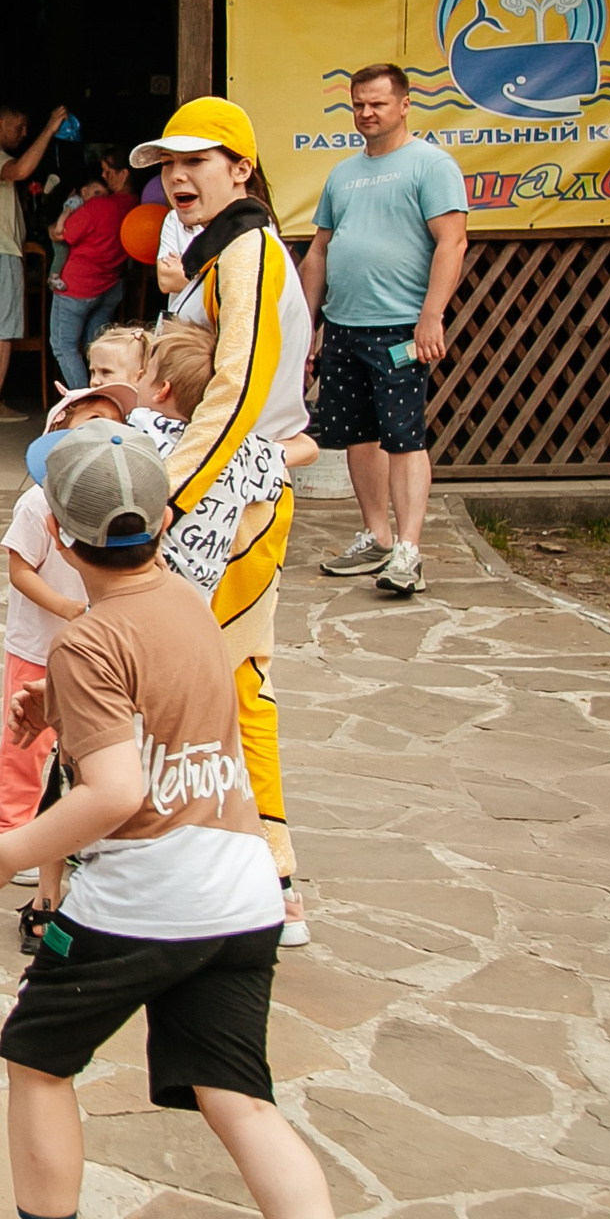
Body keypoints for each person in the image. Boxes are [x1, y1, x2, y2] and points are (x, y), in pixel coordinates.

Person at [0, 423, 342, 1219]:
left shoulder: (89, 639)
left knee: (38, 1060)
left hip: (143, 900)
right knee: (237, 1094)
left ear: (57, 534)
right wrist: (54, 705)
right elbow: (156, 691)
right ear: (165, 521)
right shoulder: (188, 606)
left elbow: (116, 791)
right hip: (241, 896)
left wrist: (5, 852)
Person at [130, 98, 315, 947]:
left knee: (235, 685)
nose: (176, 176)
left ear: (241, 169)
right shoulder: (219, 254)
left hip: (228, 503)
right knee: (202, 683)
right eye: (168, 164)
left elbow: (239, 391)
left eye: (196, 161)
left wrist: (163, 496)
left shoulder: (248, 250)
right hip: (220, 494)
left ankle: (272, 878)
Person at [300, 64, 470, 598]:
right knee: (356, 435)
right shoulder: (342, 174)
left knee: (403, 436)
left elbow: (453, 242)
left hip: (400, 328)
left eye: (377, 103)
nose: (367, 113)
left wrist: (431, 316)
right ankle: (375, 535)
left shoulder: (431, 165)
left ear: (403, 104)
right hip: (344, 328)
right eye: (358, 104)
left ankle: (408, 550)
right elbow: (320, 250)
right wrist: (308, 326)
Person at [0, 382, 134, 943]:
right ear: (56, 437)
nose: (99, 435)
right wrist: (69, 609)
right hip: (38, 645)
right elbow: (19, 568)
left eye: (112, 424)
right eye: (86, 423)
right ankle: (14, 830)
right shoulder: (36, 502)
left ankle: (75, 834)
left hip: (94, 651)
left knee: (83, 747)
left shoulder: (114, 504)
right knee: (25, 744)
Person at [136, 321, 309, 597]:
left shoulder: (141, 426)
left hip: (139, 585)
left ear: (162, 390)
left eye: (143, 377)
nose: (137, 381)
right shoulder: (239, 451)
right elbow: (308, 448)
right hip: (197, 604)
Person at [0, 103, 67, 423]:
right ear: (0, 123)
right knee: (4, 332)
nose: (24, 133)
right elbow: (21, 170)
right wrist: (49, 128)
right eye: (20, 126)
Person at [48, 148, 136, 390]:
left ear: (124, 174)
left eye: (109, 172)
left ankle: (84, 401)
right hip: (110, 286)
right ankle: (103, 398)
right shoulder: (134, 207)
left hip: (77, 288)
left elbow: (61, 233)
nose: (104, 176)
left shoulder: (100, 206)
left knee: (63, 345)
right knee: (96, 348)